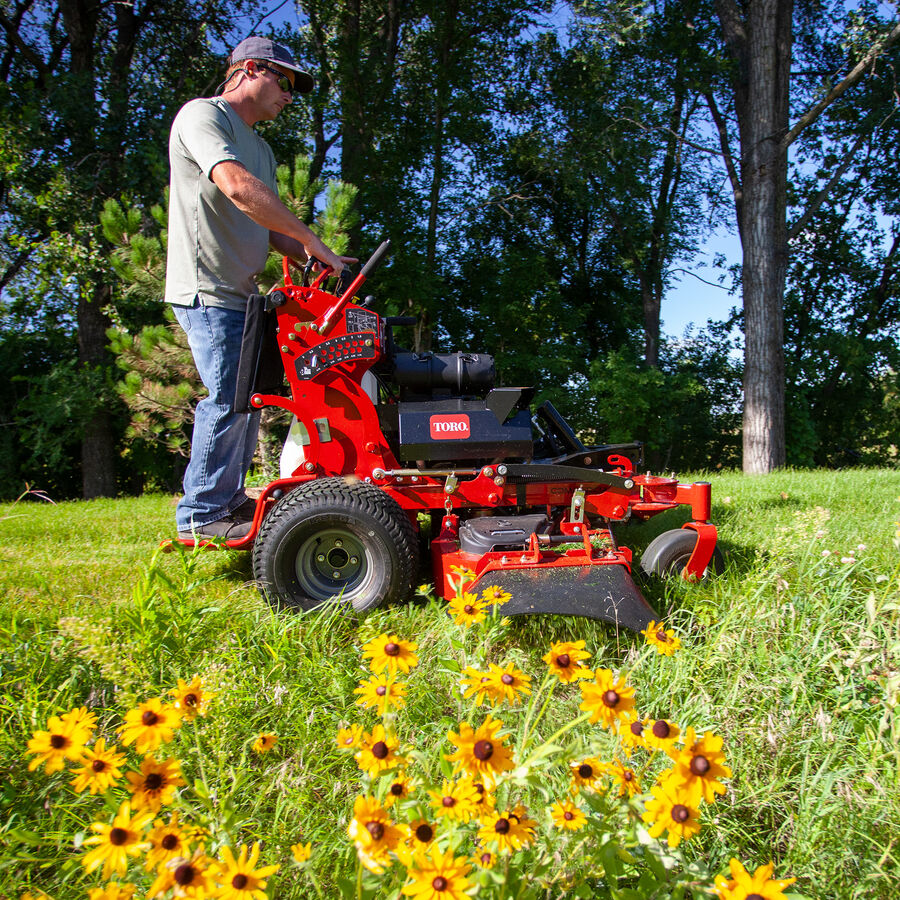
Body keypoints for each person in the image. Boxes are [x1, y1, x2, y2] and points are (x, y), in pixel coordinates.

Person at [165, 36, 351, 540]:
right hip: (206, 288)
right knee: (228, 394)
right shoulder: (204, 117)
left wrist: (309, 254)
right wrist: (309, 235)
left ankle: (227, 499)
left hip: (242, 292)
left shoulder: (262, 149)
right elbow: (236, 187)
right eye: (285, 81)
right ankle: (201, 515)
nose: (290, 95)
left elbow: (267, 229)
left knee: (250, 395)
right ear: (249, 69)